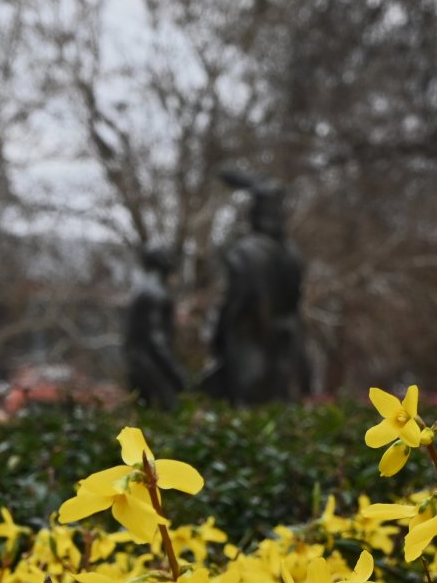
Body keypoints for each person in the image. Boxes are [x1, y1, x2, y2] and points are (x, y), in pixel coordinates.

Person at [202, 171, 309, 403]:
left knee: (246, 406)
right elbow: (296, 300)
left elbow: (235, 303)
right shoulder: (292, 254)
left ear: (255, 215)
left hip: (249, 346)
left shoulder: (245, 252)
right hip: (284, 346)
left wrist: (218, 338)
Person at [123, 245, 185, 408]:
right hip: (151, 365)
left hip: (136, 362)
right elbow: (156, 339)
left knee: (143, 411)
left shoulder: (140, 290)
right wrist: (175, 371)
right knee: (172, 408)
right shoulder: (156, 293)